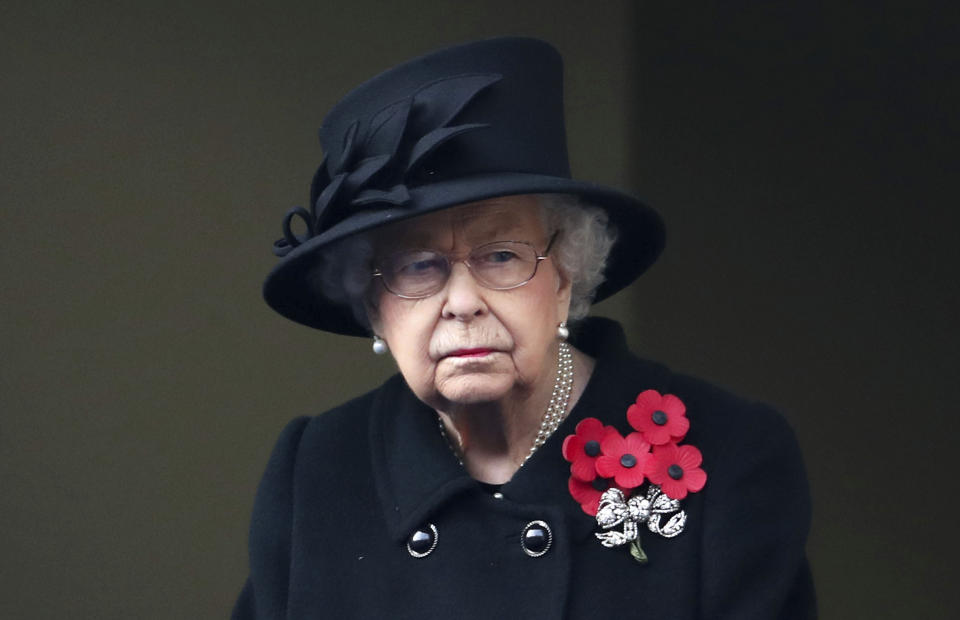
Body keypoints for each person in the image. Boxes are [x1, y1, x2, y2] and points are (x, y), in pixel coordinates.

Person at [233, 37, 814, 619]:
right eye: (417, 265)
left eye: (501, 255)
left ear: (566, 277)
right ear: (375, 305)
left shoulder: (732, 454)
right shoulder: (315, 473)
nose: (462, 302)